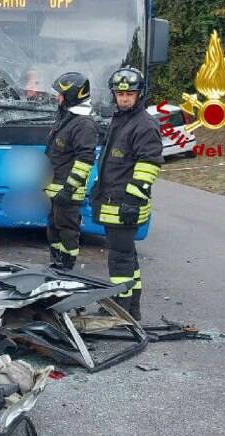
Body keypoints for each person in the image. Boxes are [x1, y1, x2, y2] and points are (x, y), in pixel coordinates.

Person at [90, 67, 164, 320]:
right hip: (114, 200)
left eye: (129, 94)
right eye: (119, 94)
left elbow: (149, 165)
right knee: (127, 258)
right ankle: (132, 308)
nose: (124, 98)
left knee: (120, 261)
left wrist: (132, 201)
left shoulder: (144, 125)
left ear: (139, 95)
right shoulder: (121, 120)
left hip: (125, 204)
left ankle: (120, 308)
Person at [44, 72, 98, 270]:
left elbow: (85, 160)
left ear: (71, 95)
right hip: (54, 188)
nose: (57, 98)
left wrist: (68, 190)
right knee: (54, 229)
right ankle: (56, 263)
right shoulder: (67, 117)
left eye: (60, 94)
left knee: (67, 231)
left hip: (67, 191)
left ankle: (67, 267)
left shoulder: (83, 124)